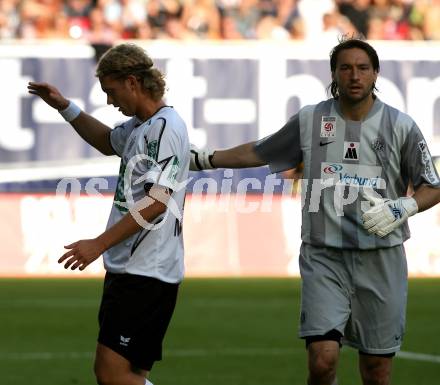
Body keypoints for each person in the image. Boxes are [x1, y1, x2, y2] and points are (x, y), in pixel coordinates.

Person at [190, 37, 440, 385]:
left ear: (376, 74)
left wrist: (405, 205)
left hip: (381, 259)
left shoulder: (401, 125)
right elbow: (261, 151)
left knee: (377, 372)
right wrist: (204, 159)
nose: (355, 75)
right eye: (346, 68)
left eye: (363, 68)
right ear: (334, 74)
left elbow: (433, 185)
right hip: (324, 257)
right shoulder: (311, 119)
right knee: (322, 362)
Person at [28, 43, 190, 385]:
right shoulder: (141, 126)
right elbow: (106, 141)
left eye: (111, 91)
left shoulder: (165, 129)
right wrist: (65, 107)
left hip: (147, 271)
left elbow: (158, 201)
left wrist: (98, 243)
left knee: (111, 375)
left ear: (132, 82)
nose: (108, 101)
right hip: (132, 267)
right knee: (129, 374)